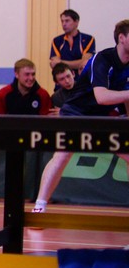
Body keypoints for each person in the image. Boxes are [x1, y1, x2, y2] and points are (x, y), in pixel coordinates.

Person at [33, 19, 129, 213]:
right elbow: (102, 97)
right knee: (63, 155)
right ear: (122, 38)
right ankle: (39, 206)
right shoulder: (102, 59)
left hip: (101, 117)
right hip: (76, 112)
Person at [49, 9, 96, 75]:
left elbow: (84, 63)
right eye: (62, 21)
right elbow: (55, 65)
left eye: (67, 21)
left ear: (76, 22)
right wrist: (76, 63)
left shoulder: (88, 39)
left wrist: (61, 62)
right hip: (63, 79)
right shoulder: (57, 40)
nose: (64, 24)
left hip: (82, 79)